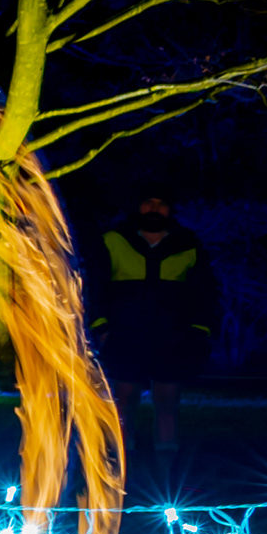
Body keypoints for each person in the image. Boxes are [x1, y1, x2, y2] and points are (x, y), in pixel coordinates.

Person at [90, 193, 217, 479]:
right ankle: (119, 465)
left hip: (171, 336)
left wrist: (199, 331)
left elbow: (204, 291)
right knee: (123, 400)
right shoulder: (114, 240)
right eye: (148, 201)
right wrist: (101, 326)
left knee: (168, 401)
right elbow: (96, 285)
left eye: (161, 203)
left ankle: (166, 470)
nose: (154, 208)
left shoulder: (188, 244)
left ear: (170, 208)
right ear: (137, 205)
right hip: (125, 334)